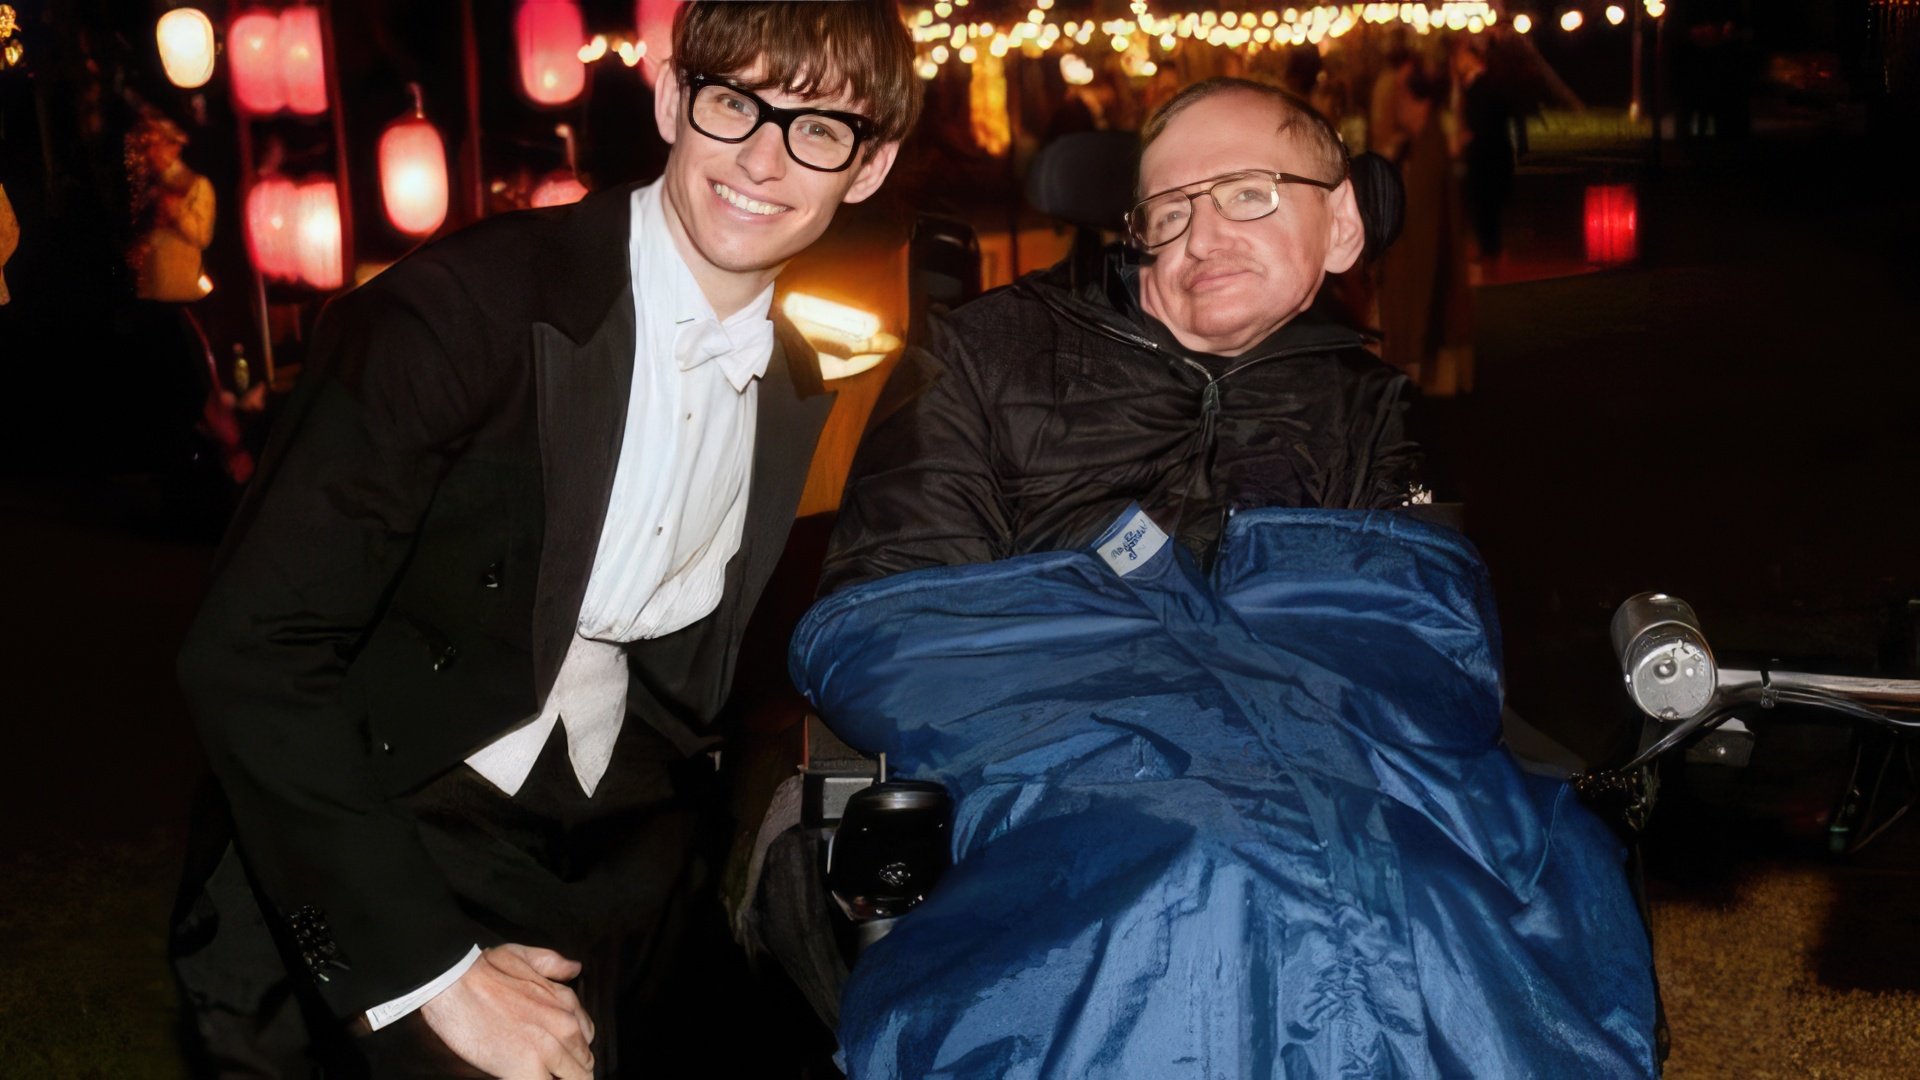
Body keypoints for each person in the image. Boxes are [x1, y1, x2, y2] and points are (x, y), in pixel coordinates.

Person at [169, 2, 918, 1076]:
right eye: (734, 103)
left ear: (872, 163)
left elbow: (686, 693)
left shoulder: (794, 380)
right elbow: (248, 653)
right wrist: (436, 975)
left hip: (617, 864)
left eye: (820, 126)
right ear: (671, 99)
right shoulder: (458, 314)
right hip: (378, 830)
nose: (764, 155)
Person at [821, 78, 1424, 596]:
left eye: (1247, 194)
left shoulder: (1374, 408)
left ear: (1342, 225)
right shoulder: (982, 359)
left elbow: (1418, 640)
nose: (1203, 240)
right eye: (1170, 212)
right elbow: (897, 618)